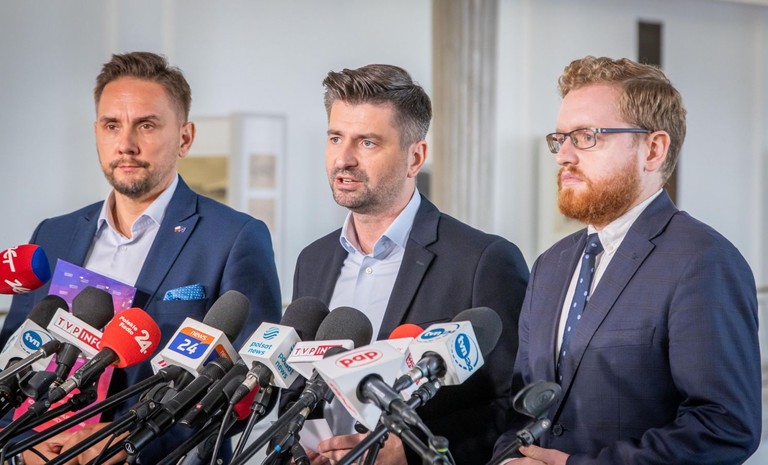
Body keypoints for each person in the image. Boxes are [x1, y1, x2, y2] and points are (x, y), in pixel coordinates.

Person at [0, 52, 282, 464]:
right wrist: (20, 440)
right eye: (111, 125)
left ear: (185, 138)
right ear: (96, 132)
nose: (126, 144)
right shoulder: (53, 234)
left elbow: (252, 387)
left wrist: (133, 438)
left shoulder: (235, 237)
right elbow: (13, 361)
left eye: (146, 125)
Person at [491, 56, 761, 465]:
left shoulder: (704, 261)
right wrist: (509, 459)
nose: (563, 155)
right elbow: (522, 407)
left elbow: (723, 427)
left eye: (586, 136)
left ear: (653, 149)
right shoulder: (550, 265)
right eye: (560, 138)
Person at [290, 64, 529, 465]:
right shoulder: (312, 260)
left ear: (414, 157)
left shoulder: (483, 261)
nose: (343, 159)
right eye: (335, 138)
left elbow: (513, 408)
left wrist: (412, 452)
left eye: (367, 142)